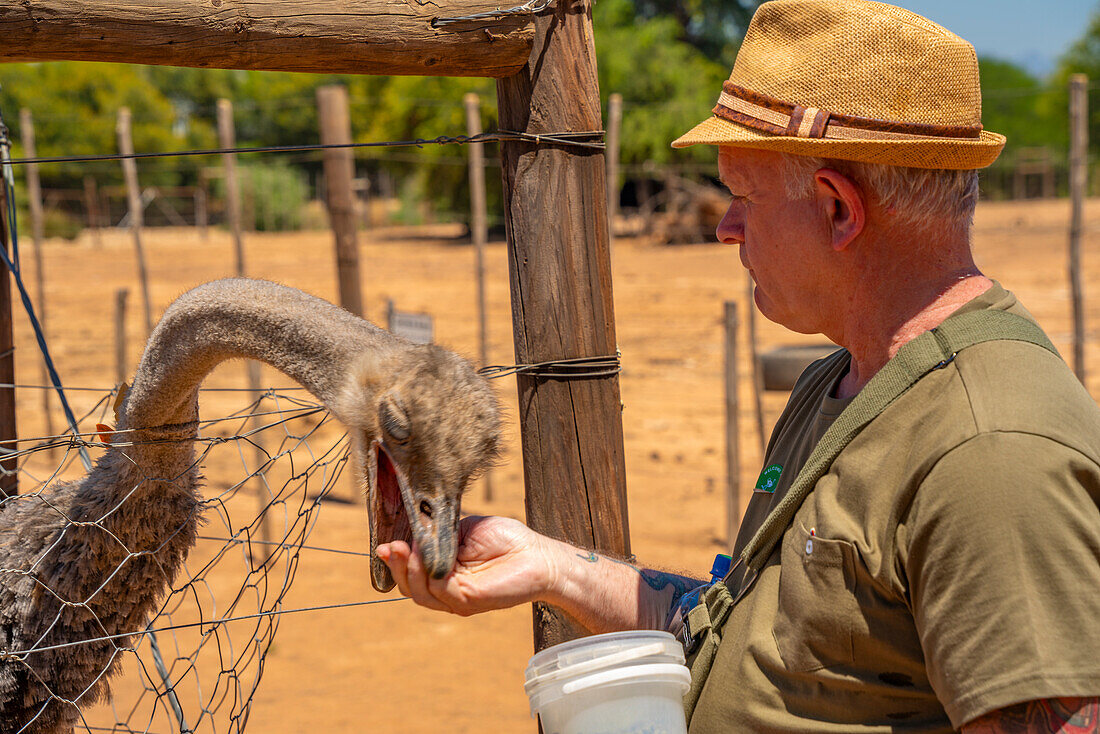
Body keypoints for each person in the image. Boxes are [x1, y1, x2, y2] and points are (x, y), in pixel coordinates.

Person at [378, 0, 1100, 730]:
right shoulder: (846, 382)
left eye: (745, 197)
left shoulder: (989, 449)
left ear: (838, 210)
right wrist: (553, 568)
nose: (726, 227)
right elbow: (752, 630)